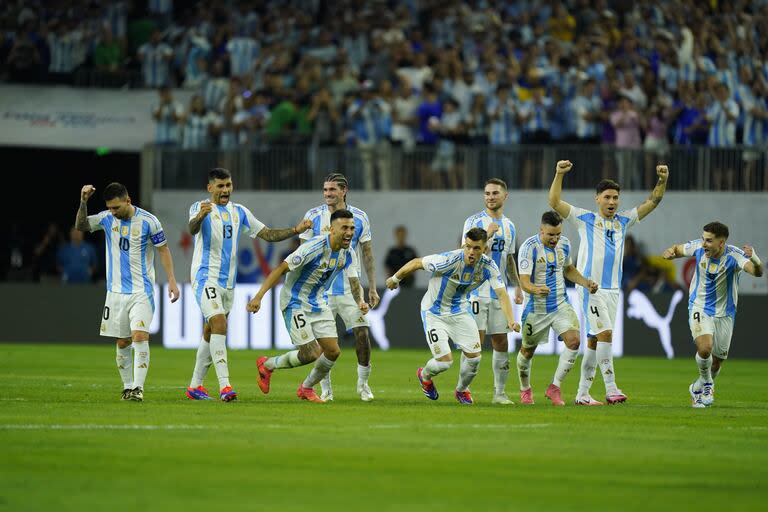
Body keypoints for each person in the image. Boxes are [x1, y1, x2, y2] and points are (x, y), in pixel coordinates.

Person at [185, 168, 311, 402]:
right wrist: (200, 217)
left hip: (228, 283)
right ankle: (225, 387)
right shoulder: (200, 207)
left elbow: (267, 234)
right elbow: (192, 228)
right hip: (205, 277)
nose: (225, 190)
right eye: (220, 186)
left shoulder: (239, 212)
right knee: (219, 323)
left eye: (229, 185)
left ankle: (195, 386)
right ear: (210, 188)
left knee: (211, 330)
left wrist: (295, 230)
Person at [548, 160, 669, 405]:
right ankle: (611, 388)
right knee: (605, 333)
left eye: (615, 197)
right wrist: (559, 174)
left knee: (594, 341)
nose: (612, 202)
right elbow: (554, 202)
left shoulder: (624, 221)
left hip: (614, 290)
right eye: (607, 197)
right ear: (597, 199)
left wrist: (662, 181)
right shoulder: (585, 219)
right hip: (590, 288)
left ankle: (583, 394)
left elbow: (652, 202)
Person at [385, 227, 521, 405]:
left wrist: (511, 321)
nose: (471, 252)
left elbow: (502, 294)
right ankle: (424, 376)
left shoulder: (488, 267)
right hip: (434, 313)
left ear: (484, 248)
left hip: (459, 311)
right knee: (444, 363)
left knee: (475, 357)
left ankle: (461, 390)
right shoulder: (448, 260)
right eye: (468, 247)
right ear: (464, 244)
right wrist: (395, 279)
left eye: (476, 248)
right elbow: (417, 262)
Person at [249, 209, 369, 404]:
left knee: (333, 352)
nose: (349, 232)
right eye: (344, 228)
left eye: (352, 228)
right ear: (332, 229)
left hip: (318, 301)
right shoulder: (313, 247)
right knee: (311, 353)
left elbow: (354, 282)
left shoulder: (348, 254)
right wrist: (258, 297)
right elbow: (280, 269)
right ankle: (267, 365)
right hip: (294, 301)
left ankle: (306, 388)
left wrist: (360, 301)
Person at [75, 183, 180, 402]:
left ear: (128, 200)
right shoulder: (106, 218)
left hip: (142, 291)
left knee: (140, 336)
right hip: (115, 294)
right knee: (123, 342)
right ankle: (127, 387)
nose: (113, 212)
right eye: (110, 208)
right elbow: (82, 225)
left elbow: (163, 250)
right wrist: (84, 201)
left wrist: (171, 279)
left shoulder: (149, 222)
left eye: (116, 208)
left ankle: (138, 389)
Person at [662, 222, 763, 408]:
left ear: (721, 243)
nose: (703, 244)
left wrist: (756, 260)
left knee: (716, 362)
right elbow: (678, 249)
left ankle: (697, 386)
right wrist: (670, 252)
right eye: (703, 239)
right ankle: (708, 384)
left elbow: (757, 273)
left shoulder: (734, 256)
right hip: (699, 307)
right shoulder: (698, 248)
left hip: (725, 314)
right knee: (705, 348)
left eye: (709, 241)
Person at [298, 173, 379, 402]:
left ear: (344, 191)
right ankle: (326, 389)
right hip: (320, 291)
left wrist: (371, 287)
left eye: (332, 190)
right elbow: (302, 254)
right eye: (325, 190)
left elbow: (367, 254)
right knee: (325, 343)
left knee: (362, 334)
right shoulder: (312, 217)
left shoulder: (360, 218)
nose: (327, 194)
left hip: (350, 290)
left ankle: (363, 384)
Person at [516, 211, 599, 405]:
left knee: (574, 341)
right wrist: (536, 289)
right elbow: (524, 282)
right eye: (550, 234)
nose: (555, 239)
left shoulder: (565, 244)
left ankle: (555, 387)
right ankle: (525, 389)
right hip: (536, 309)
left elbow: (568, 270)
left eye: (558, 234)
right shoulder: (529, 248)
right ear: (541, 230)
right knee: (527, 352)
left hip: (560, 304)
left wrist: (586, 283)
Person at [461, 178, 524, 405]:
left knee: (501, 341)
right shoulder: (474, 221)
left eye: (495, 193)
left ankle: (499, 393)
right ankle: (463, 388)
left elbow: (508, 259)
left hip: (499, 291)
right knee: (474, 345)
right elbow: (465, 255)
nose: (490, 197)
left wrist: (517, 285)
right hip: (476, 291)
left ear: (505, 196)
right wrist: (486, 235)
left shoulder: (510, 226)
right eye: (487, 193)